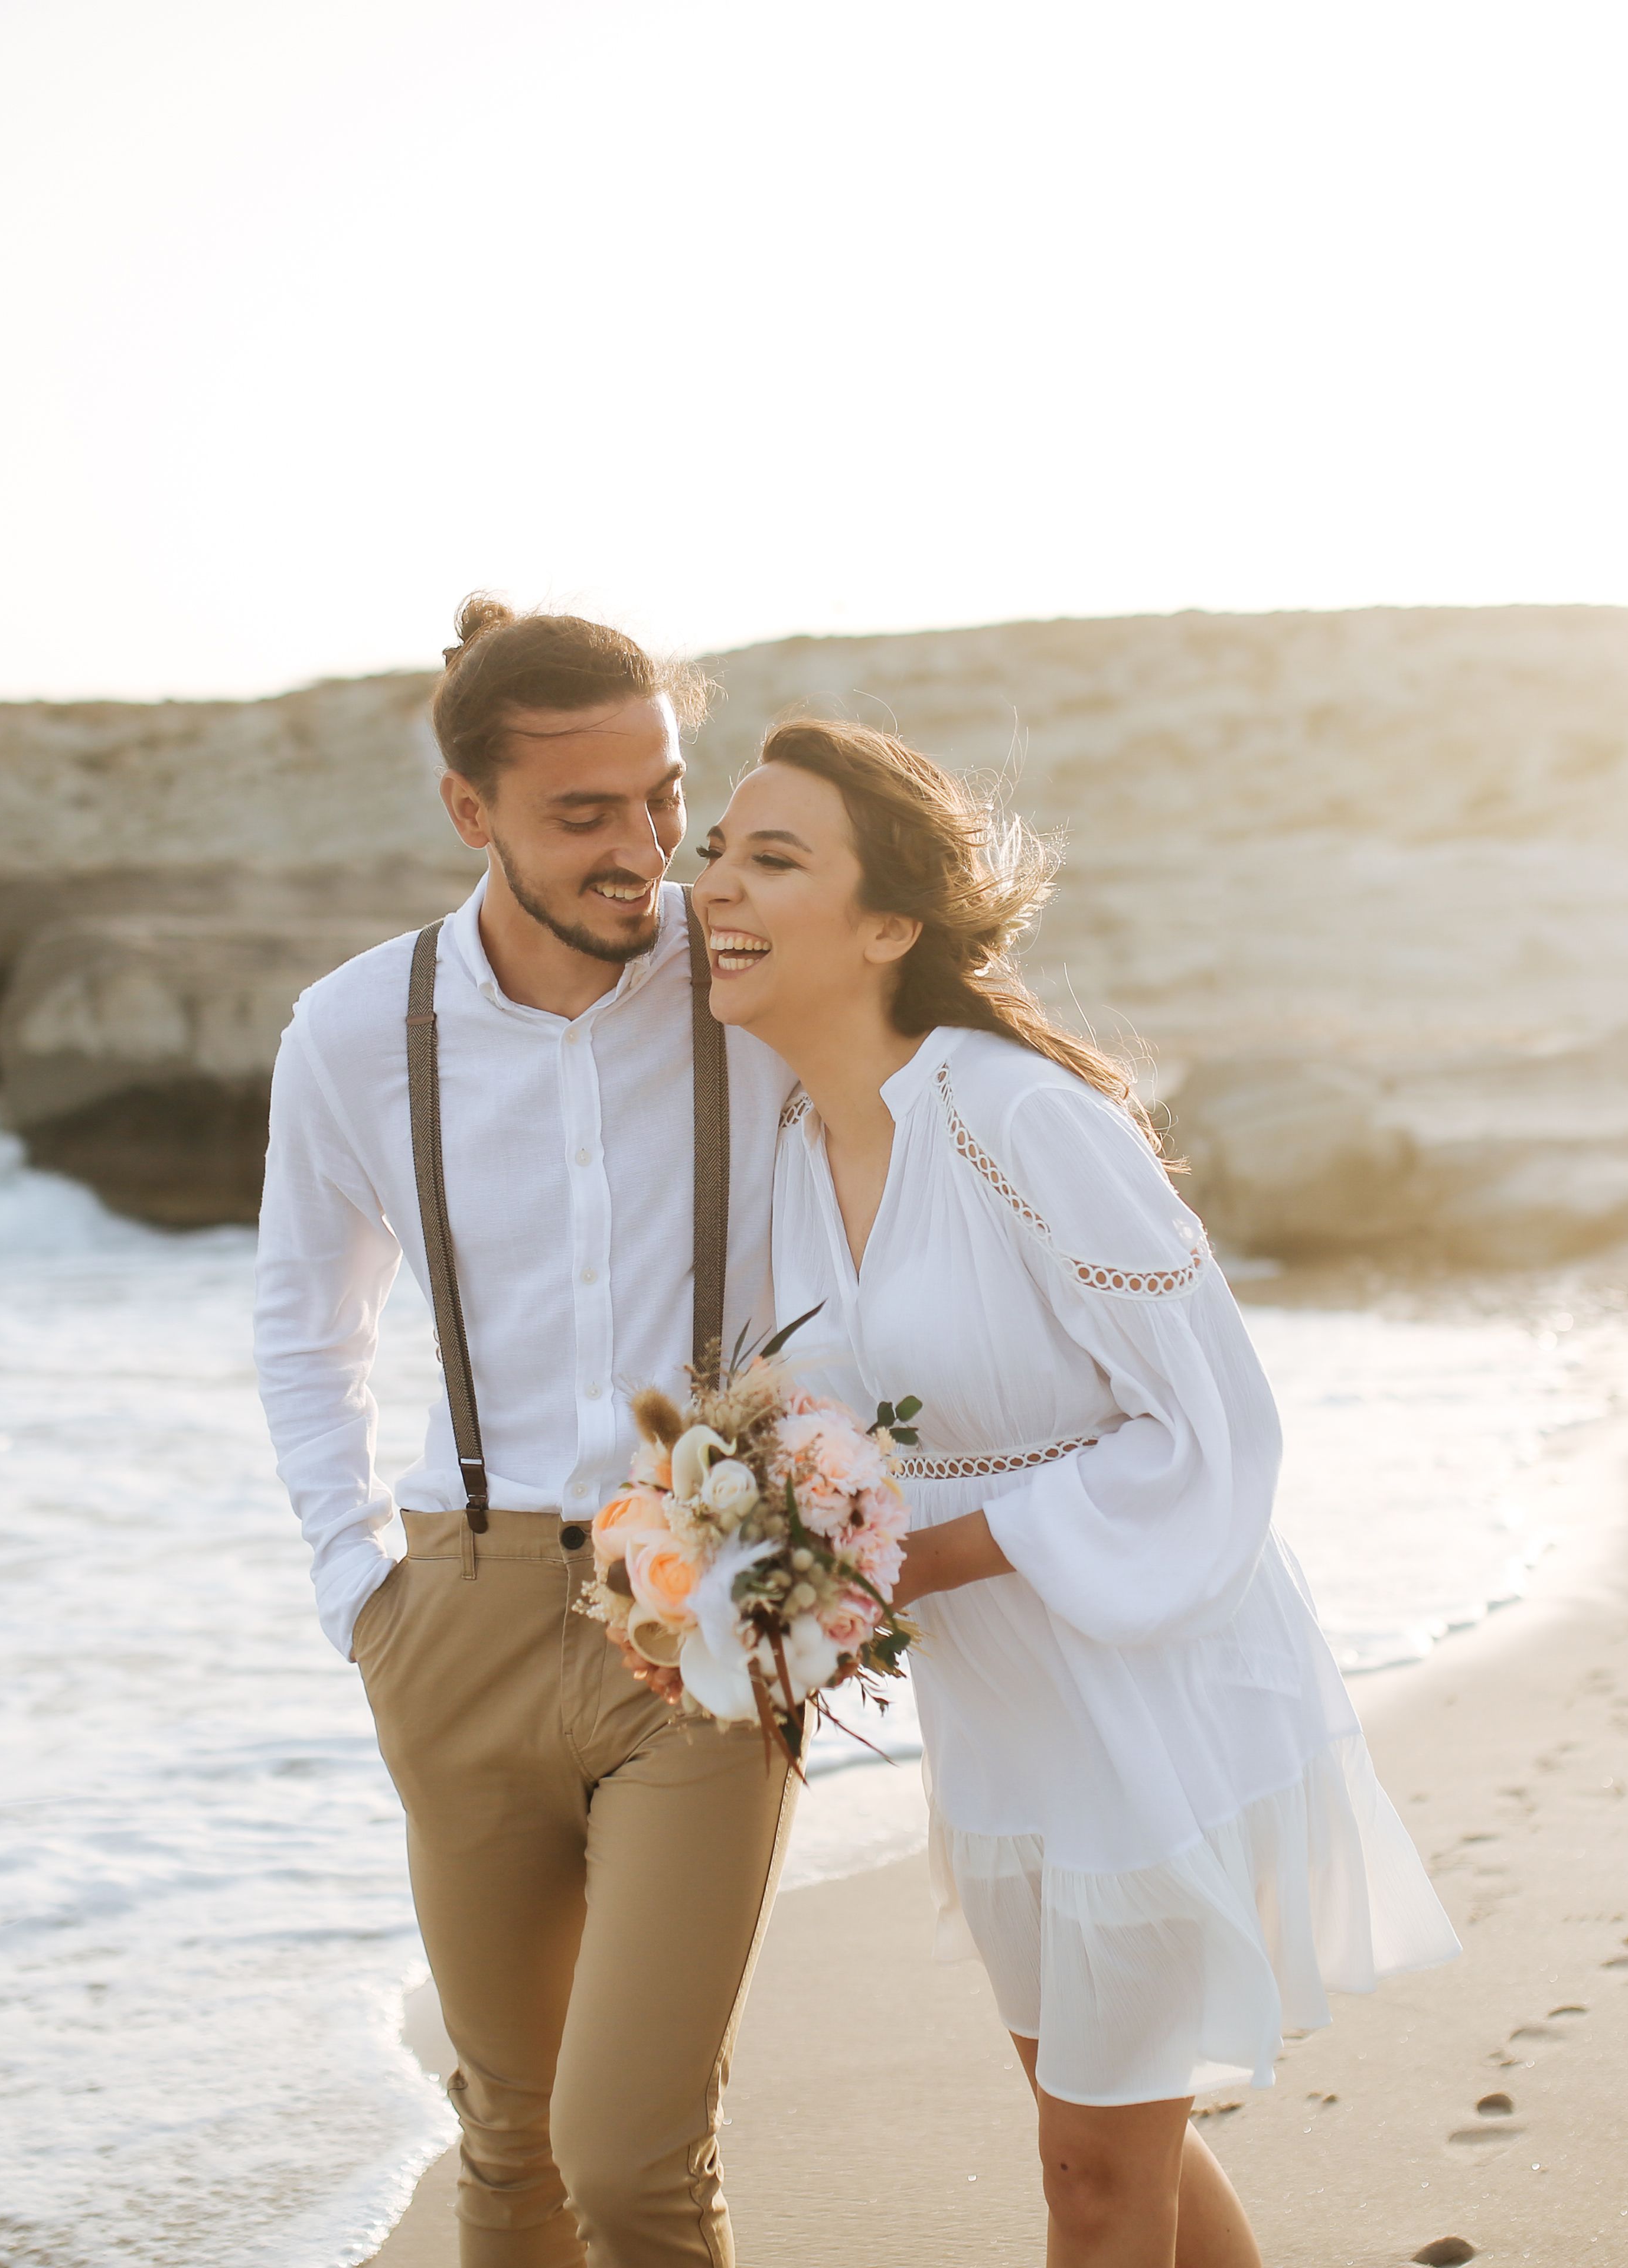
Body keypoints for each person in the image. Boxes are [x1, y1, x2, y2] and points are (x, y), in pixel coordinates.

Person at [691, 719, 1460, 2268]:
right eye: (714, 849)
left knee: (1094, 2183)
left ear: (892, 923)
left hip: (1151, 1687)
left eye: (774, 858)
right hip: (1001, 1711)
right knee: (1129, 2163)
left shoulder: (1018, 1118)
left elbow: (1212, 1425)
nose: (716, 882)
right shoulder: (783, 1136)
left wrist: (920, 1560)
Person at [254, 598, 792, 2268]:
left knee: (630, 2161)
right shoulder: (356, 1031)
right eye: (584, 817)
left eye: (664, 797)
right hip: (456, 1618)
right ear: (468, 813)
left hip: (700, 1616)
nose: (647, 852)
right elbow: (303, 1317)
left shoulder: (753, 974)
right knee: (509, 2151)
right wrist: (359, 1589)